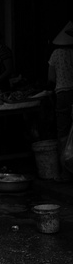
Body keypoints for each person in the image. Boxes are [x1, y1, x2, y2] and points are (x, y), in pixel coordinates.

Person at [48, 21, 73, 182]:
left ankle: (65, 172)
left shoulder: (56, 54)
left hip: (62, 94)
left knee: (63, 131)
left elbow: (51, 78)